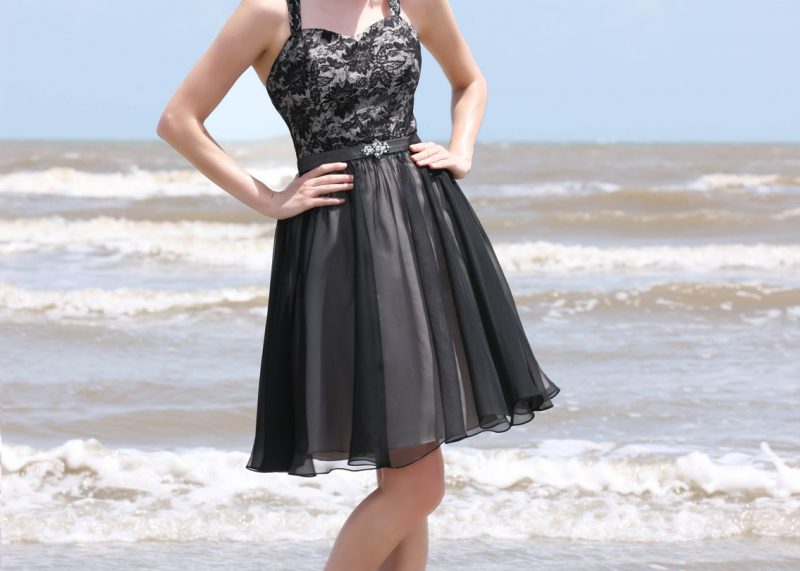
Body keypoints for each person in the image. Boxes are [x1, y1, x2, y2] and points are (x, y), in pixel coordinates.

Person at [156, 0, 560, 568]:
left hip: (422, 226)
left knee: (408, 472)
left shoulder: (414, 2)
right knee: (418, 486)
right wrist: (268, 199)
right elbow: (179, 120)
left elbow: (470, 82)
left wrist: (461, 150)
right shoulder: (270, 12)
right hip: (337, 239)